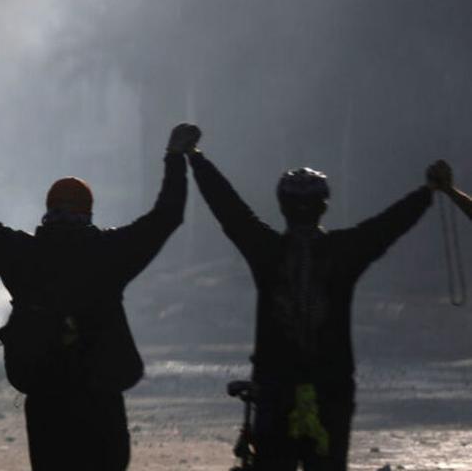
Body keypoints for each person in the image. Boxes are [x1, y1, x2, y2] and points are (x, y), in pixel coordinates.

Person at [0, 123, 196, 471]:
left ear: (47, 212)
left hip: (46, 402)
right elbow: (167, 216)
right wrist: (175, 158)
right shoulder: (108, 253)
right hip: (101, 401)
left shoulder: (22, 253)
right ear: (88, 213)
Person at [186, 133, 437, 471]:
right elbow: (387, 226)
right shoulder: (345, 252)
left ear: (281, 206)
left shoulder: (267, 250)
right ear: (324, 206)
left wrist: (195, 157)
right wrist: (427, 193)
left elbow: (229, 208)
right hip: (329, 391)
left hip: (276, 391)